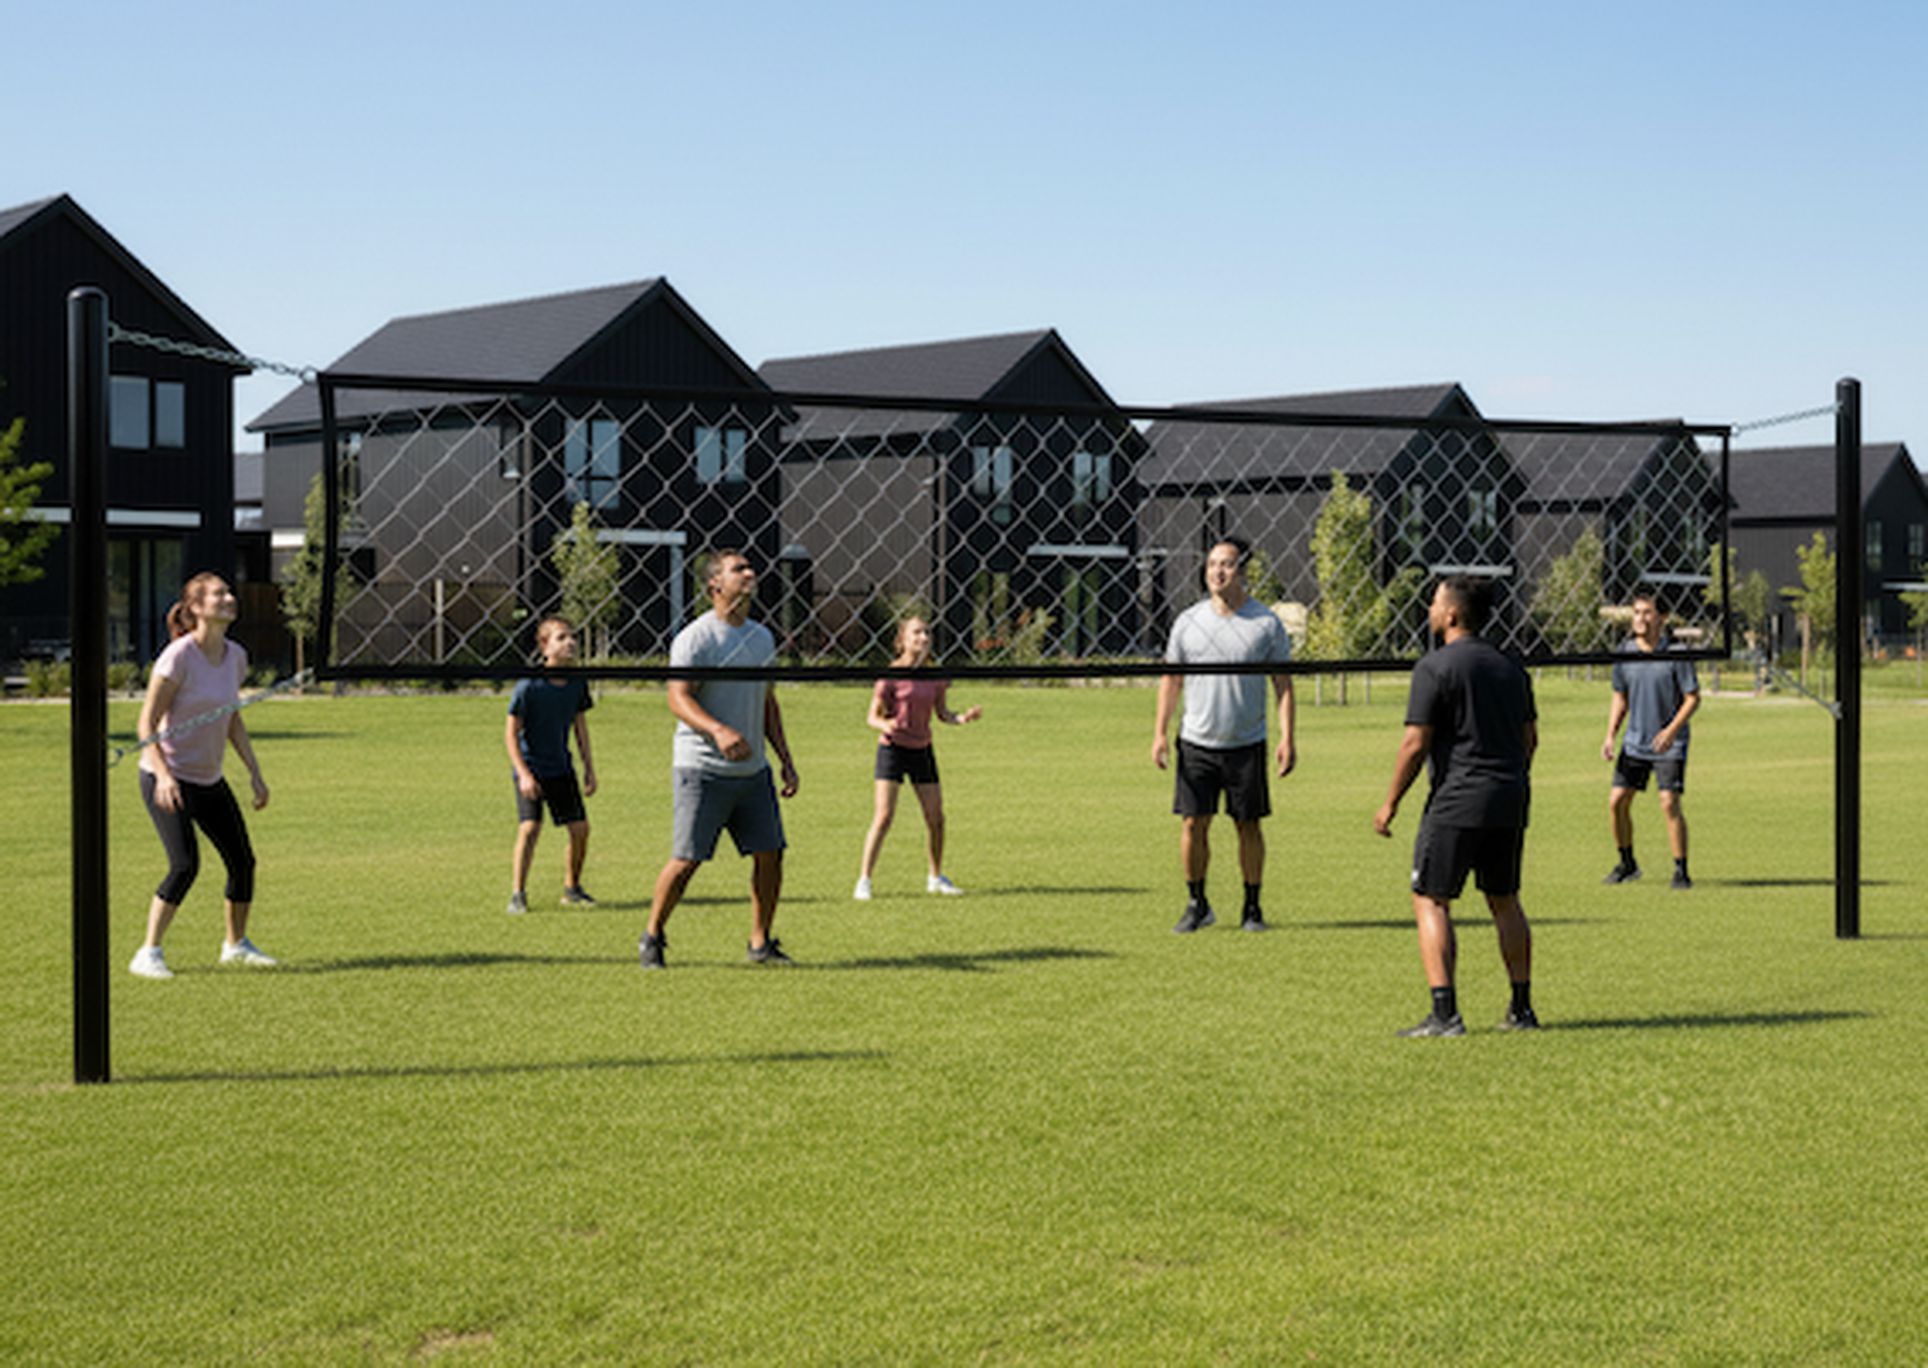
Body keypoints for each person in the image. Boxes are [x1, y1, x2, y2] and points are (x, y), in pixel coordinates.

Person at [1373, 576, 1537, 1036]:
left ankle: (1445, 1013)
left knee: (1431, 898)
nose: (1429, 610)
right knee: (1505, 899)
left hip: (1458, 798)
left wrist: (1390, 803)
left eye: (1434, 603)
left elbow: (1414, 743)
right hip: (1510, 795)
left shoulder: (1434, 667)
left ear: (1450, 615)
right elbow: (1530, 739)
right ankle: (1521, 1009)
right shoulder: (1511, 666)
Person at [639, 550, 800, 971]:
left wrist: (784, 757)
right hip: (702, 769)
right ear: (715, 586)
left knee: (770, 854)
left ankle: (760, 941)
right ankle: (653, 935)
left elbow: (767, 701)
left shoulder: (762, 638)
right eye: (738, 569)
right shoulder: (696, 638)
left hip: (753, 772)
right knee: (687, 859)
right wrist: (719, 730)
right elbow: (678, 698)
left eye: (750, 567)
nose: (750, 573)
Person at [128, 573, 274, 980]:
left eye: (229, 592)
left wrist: (254, 774)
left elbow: (230, 719)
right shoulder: (178, 657)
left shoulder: (235, 656)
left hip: (208, 778)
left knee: (242, 861)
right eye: (218, 594)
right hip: (167, 776)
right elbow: (146, 724)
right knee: (184, 865)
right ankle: (148, 952)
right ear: (195, 607)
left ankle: (236, 946)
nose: (229, 598)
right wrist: (163, 776)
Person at [1152, 537, 1296, 933]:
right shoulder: (1188, 622)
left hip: (1246, 743)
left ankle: (1252, 907)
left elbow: (1283, 684)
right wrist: (1160, 733)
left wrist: (1287, 738)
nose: (1217, 571)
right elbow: (1170, 681)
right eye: (1212, 563)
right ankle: (1197, 902)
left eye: (1227, 564)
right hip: (1196, 742)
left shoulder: (1265, 623)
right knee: (1192, 824)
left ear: (1243, 571)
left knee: (1248, 825)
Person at [854, 616, 983, 900]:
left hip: (922, 749)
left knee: (936, 817)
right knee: (884, 816)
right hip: (892, 749)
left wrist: (962, 718)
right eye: (916, 633)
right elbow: (872, 716)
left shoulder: (935, 676)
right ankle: (864, 880)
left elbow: (942, 713)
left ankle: (935, 877)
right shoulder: (891, 674)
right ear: (902, 639)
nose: (923, 638)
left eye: (927, 633)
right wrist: (884, 725)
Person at [1601, 587, 1701, 890]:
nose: (1640, 619)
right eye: (1636, 612)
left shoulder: (1677, 654)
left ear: (1662, 617)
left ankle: (1681, 870)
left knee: (1669, 802)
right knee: (1617, 801)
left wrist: (1671, 731)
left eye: (1647, 612)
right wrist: (1610, 736)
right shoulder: (1625, 653)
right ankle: (1627, 863)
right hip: (1635, 742)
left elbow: (1692, 698)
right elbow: (1620, 697)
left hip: (1669, 744)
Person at [505, 615, 598, 914]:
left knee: (580, 829)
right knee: (530, 827)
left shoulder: (576, 683)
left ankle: (572, 888)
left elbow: (580, 727)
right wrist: (523, 774)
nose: (569, 642)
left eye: (572, 636)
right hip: (532, 768)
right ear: (545, 646)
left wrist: (589, 768)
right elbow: (510, 732)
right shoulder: (529, 685)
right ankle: (518, 894)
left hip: (561, 768)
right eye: (561, 637)